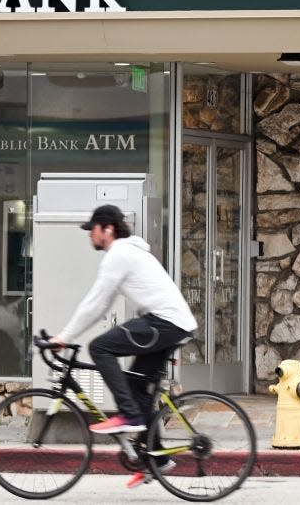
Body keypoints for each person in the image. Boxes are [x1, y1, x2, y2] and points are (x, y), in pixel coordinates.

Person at [49, 204, 197, 488]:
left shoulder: (119, 254)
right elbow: (99, 303)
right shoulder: (127, 252)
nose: (89, 235)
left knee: (100, 348)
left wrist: (64, 337)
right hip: (172, 323)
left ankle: (128, 415)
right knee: (136, 385)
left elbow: (96, 303)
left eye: (92, 229)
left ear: (108, 229)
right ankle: (158, 459)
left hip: (165, 322)